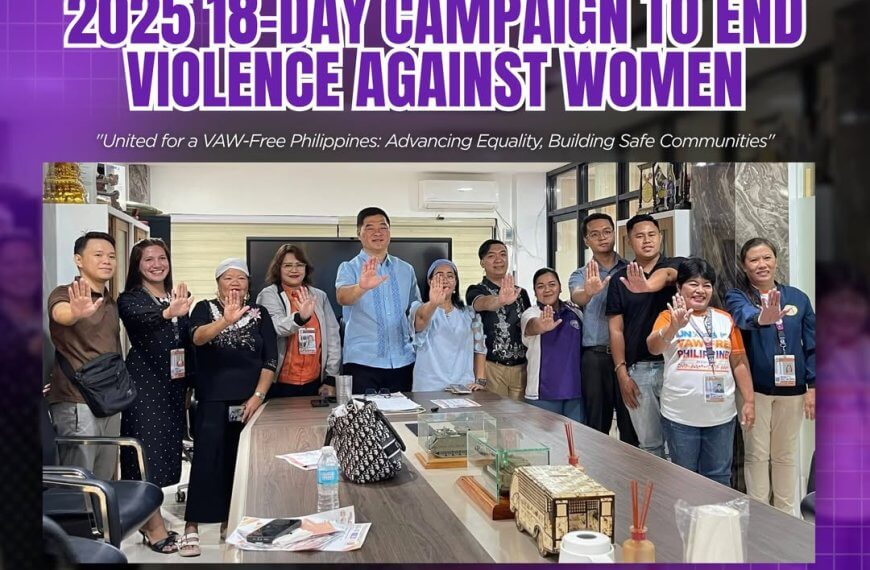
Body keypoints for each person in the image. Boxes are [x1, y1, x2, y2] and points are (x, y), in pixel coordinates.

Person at [179, 258, 278, 557]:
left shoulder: (261, 315)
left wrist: (257, 396)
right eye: (228, 278)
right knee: (207, 463)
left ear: (249, 284)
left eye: (241, 278)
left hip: (250, 401)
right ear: (218, 283)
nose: (235, 283)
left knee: (242, 465)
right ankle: (191, 526)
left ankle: (229, 522)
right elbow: (196, 338)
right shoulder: (203, 309)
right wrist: (226, 320)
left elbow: (270, 360)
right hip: (212, 399)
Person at [725, 238, 815, 514]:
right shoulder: (738, 296)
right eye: (754, 260)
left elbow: (812, 344)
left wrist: (812, 386)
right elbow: (743, 317)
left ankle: (787, 516)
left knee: (785, 456)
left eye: (767, 257)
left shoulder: (798, 298)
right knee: (756, 454)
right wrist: (764, 316)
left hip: (794, 391)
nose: (761, 264)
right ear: (744, 265)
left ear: (776, 260)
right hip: (755, 391)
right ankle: (761, 517)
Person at [647, 258, 756, 485]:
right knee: (684, 479)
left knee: (718, 478)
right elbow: (653, 347)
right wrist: (673, 327)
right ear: (679, 287)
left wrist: (749, 400)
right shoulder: (668, 317)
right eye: (693, 284)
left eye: (706, 284)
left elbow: (738, 361)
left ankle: (714, 522)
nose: (700, 290)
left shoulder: (724, 319)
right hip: (680, 417)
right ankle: (686, 522)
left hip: (721, 417)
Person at [117, 238, 195, 553]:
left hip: (173, 385)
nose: (156, 264)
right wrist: (168, 313)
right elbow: (142, 320)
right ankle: (152, 527)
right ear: (138, 265)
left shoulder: (176, 295)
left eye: (161, 258)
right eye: (148, 259)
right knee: (144, 454)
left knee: (164, 454)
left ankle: (151, 516)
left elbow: (185, 337)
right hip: (144, 384)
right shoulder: (131, 298)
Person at [606, 214, 683, 458]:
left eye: (652, 235)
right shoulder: (619, 279)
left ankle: (679, 496)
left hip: (675, 366)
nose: (647, 240)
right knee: (649, 445)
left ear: (660, 237)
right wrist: (621, 372)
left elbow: (668, 275)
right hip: (638, 370)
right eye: (639, 236)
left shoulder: (678, 267)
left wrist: (648, 286)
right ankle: (658, 495)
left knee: (677, 446)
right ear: (629, 241)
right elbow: (616, 329)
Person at [46, 231, 122, 481]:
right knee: (79, 478)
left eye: (111, 256)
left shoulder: (110, 300)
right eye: (98, 255)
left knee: (104, 477)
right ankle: (77, 522)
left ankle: (102, 522)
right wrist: (76, 313)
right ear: (78, 260)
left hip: (110, 398)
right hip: (77, 400)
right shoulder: (65, 293)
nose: (107, 261)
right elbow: (61, 314)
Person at [335, 207, 420, 393]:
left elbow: (415, 309)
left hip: (402, 360)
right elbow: (342, 297)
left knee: (401, 420)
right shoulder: (349, 268)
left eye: (383, 227)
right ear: (359, 234)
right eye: (370, 228)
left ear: (390, 232)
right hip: (362, 362)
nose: (377, 233)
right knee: (364, 421)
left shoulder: (406, 269)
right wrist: (361, 287)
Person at [569, 213, 637, 443]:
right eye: (594, 234)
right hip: (595, 358)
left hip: (629, 358)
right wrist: (590, 291)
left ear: (614, 234)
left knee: (631, 423)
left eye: (607, 232)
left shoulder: (631, 269)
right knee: (596, 425)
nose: (602, 238)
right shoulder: (581, 274)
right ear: (586, 241)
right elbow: (577, 297)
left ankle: (629, 477)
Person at [256, 244, 341, 399]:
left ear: (306, 268)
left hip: (315, 382)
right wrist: (300, 317)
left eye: (299, 265)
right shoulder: (269, 295)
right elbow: (278, 327)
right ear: (278, 268)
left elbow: (333, 338)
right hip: (279, 384)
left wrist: (331, 377)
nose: (294, 270)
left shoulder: (319, 296)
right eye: (287, 265)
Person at [465, 239, 532, 400]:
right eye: (491, 256)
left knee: (521, 419)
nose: (499, 260)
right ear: (482, 262)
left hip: (521, 367)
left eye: (503, 254)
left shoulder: (520, 293)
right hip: (491, 367)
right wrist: (500, 300)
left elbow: (527, 324)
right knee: (496, 418)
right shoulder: (476, 290)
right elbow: (482, 303)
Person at [410, 259, 487, 392]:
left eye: (450, 276)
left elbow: (479, 348)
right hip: (428, 388)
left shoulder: (470, 314)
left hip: (463, 387)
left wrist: (480, 381)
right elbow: (420, 321)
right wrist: (434, 303)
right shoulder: (419, 308)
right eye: (439, 275)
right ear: (430, 281)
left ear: (455, 283)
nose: (445, 279)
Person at [521, 268, 585, 422]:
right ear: (535, 292)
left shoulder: (576, 313)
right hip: (542, 394)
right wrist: (541, 326)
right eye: (541, 286)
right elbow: (531, 326)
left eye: (552, 284)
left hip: (575, 393)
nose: (547, 290)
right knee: (544, 444)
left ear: (560, 287)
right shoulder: (531, 313)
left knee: (575, 443)